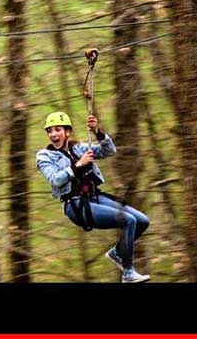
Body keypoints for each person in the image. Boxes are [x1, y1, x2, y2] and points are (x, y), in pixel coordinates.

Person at [36, 111, 151, 283]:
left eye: (57, 130)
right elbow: (56, 179)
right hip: (76, 205)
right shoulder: (45, 156)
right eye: (50, 131)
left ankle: (117, 252)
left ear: (67, 132)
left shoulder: (80, 148)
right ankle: (128, 273)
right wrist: (78, 164)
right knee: (129, 220)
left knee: (142, 221)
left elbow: (109, 150)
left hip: (95, 196)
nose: (53, 134)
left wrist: (97, 131)